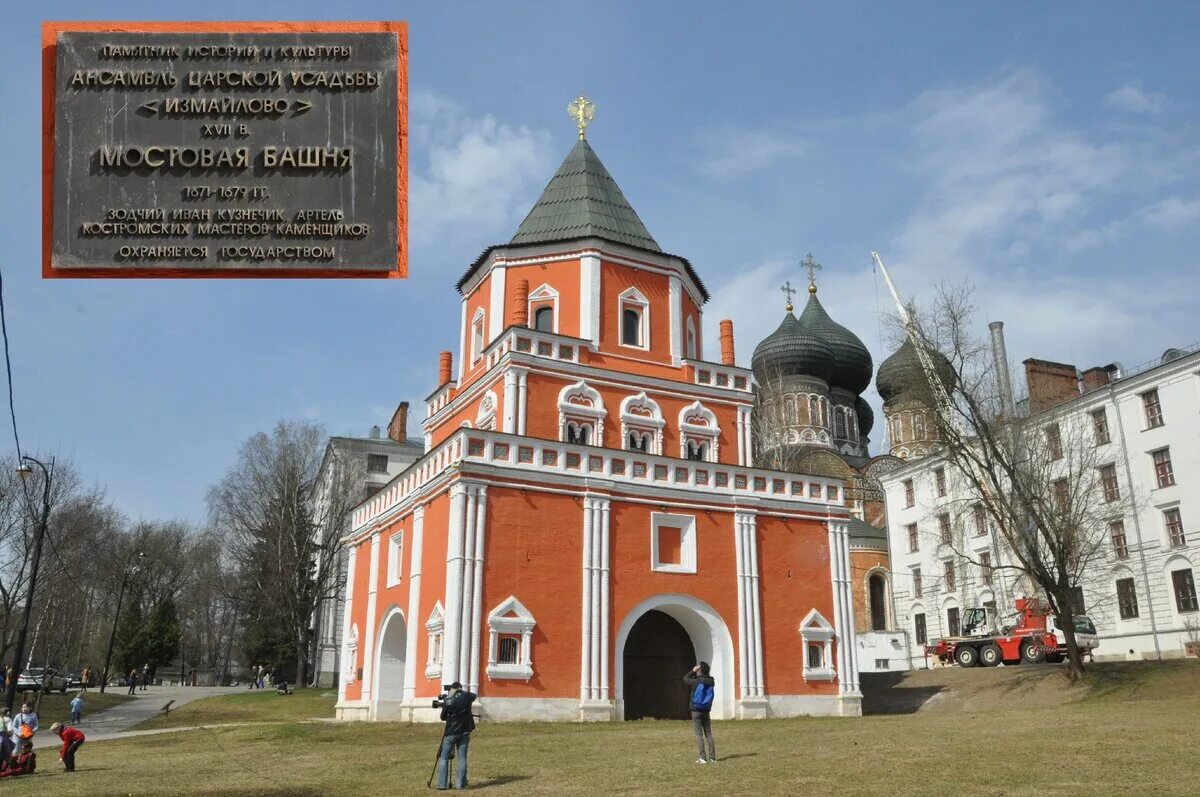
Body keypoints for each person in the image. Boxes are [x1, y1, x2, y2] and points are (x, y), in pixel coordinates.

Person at [435, 681, 477, 790]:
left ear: (452, 689)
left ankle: (441, 785)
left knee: (444, 758)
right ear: (460, 688)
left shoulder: (448, 700)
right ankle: (460, 785)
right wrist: (460, 692)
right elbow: (474, 695)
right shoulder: (467, 697)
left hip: (451, 732)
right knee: (462, 758)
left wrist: (450, 695)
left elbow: (443, 717)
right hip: (464, 731)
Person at [684, 662, 717, 764]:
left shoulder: (696, 681)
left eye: (699, 669)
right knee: (708, 733)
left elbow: (685, 678)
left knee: (699, 734)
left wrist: (693, 670)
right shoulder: (711, 681)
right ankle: (712, 758)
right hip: (706, 710)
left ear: (700, 670)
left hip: (696, 710)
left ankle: (702, 758)